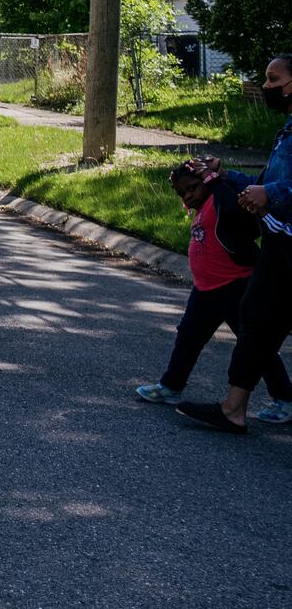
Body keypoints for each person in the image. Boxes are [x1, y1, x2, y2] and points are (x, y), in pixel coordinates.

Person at [177, 55, 292, 434]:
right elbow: (264, 181)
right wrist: (224, 175)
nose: (267, 87)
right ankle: (234, 409)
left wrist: (269, 192)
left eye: (274, 79)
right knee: (256, 320)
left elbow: (275, 188)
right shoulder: (287, 130)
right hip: (279, 243)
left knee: (258, 321)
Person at [136, 163, 292, 418]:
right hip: (206, 289)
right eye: (182, 193)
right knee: (188, 337)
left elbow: (237, 213)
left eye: (193, 188)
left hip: (236, 286)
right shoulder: (202, 207)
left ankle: (285, 397)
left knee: (254, 345)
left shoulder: (222, 200)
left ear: (206, 182)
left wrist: (214, 181)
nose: (188, 196)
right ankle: (171, 386)